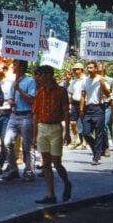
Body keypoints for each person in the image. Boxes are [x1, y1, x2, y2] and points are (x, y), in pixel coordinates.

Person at [32, 65, 72, 204]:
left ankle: (66, 182)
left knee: (57, 162)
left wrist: (67, 132)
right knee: (46, 163)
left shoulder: (61, 91)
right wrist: (34, 134)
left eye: (40, 75)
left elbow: (66, 112)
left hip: (55, 127)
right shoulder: (39, 92)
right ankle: (51, 194)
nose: (38, 77)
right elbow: (35, 114)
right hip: (42, 127)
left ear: (48, 75)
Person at [2, 60, 37, 181]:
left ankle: (29, 171)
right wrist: (10, 101)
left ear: (21, 67)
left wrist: (20, 90)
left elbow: (32, 99)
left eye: (15, 65)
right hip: (14, 115)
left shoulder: (30, 82)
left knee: (27, 145)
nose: (13, 66)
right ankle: (13, 169)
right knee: (7, 142)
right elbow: (11, 98)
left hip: (26, 116)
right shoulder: (13, 82)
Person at [80, 60, 111, 165]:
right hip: (88, 109)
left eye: (91, 68)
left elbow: (108, 94)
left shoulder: (101, 79)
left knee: (99, 133)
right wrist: (81, 109)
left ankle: (96, 157)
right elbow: (83, 95)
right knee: (86, 133)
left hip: (99, 107)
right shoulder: (85, 80)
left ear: (96, 68)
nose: (89, 70)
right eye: (88, 68)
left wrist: (103, 84)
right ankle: (97, 149)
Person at [0, 60, 14, 173]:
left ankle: (0, 163)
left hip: (6, 113)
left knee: (4, 139)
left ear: (5, 70)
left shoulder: (11, 83)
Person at [68, 62, 86, 149]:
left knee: (84, 122)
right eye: (74, 69)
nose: (75, 71)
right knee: (72, 122)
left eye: (76, 69)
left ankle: (85, 141)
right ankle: (77, 138)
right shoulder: (74, 81)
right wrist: (70, 103)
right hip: (75, 102)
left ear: (81, 70)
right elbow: (71, 93)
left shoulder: (86, 80)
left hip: (84, 103)